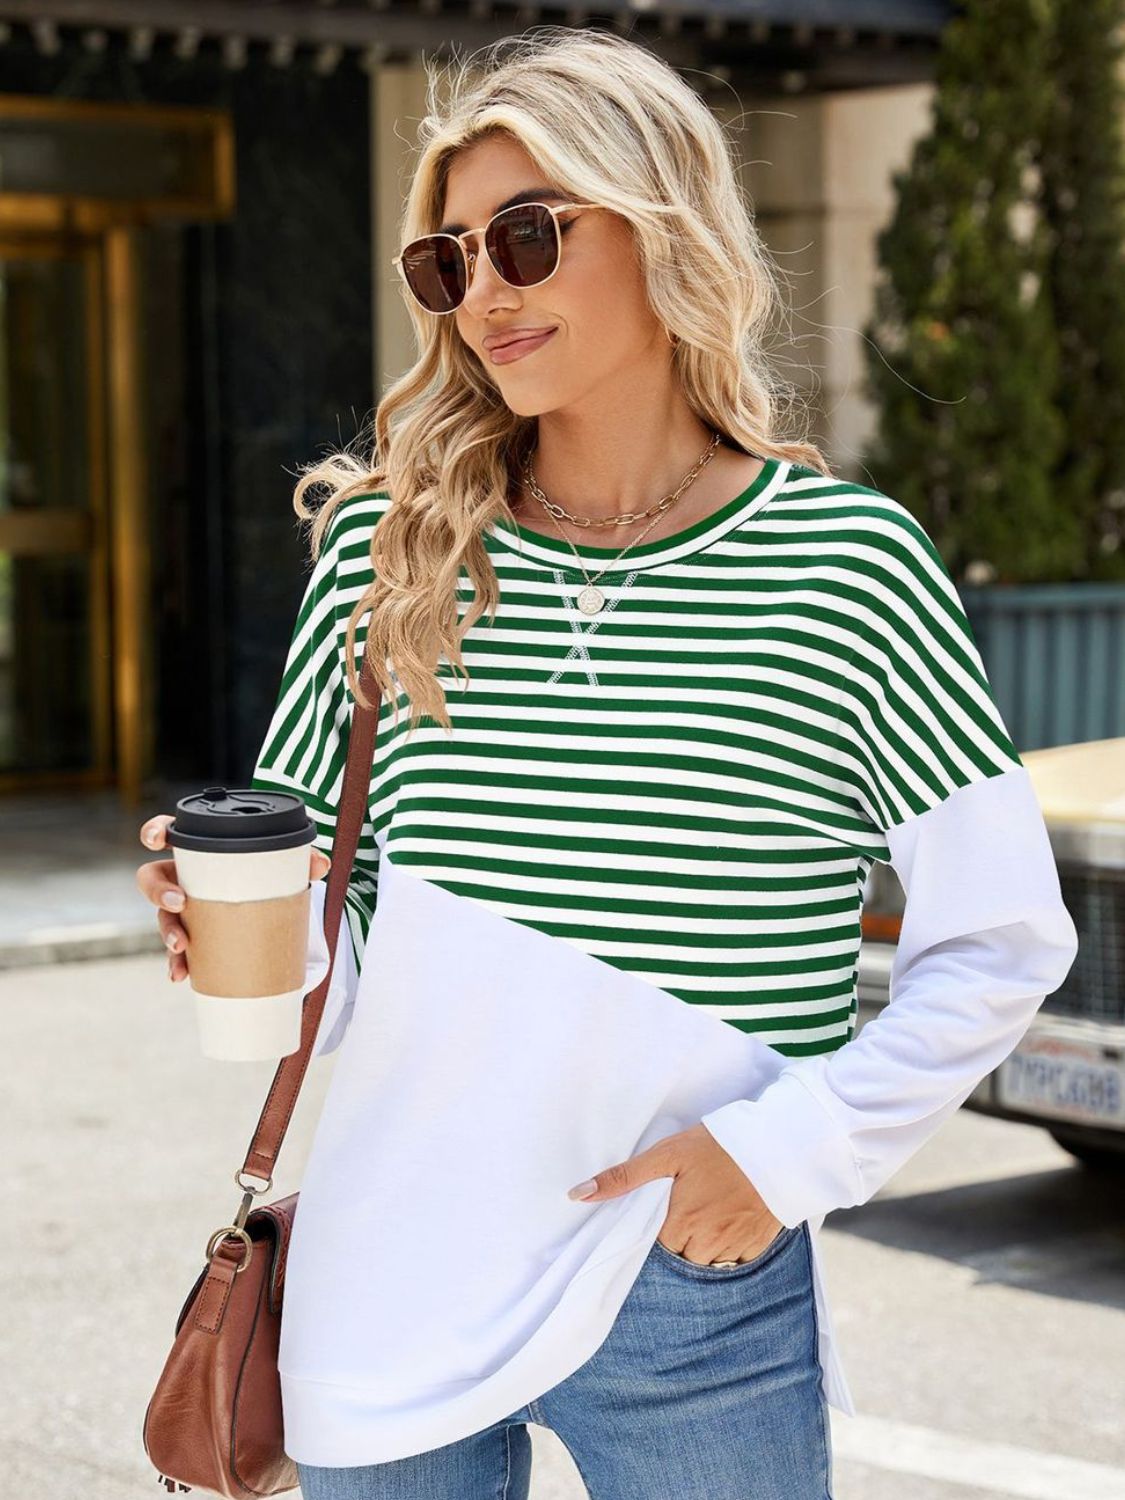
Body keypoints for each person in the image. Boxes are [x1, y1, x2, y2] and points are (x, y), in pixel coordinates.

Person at [136, 26, 1079, 1500]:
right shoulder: (390, 557)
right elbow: (336, 946)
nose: (485, 294)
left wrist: (787, 1155)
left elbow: (1001, 939)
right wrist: (238, 937)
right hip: (393, 1272)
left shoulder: (845, 567)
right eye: (448, 263)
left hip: (689, 1274)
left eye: (527, 236)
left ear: (660, 222)